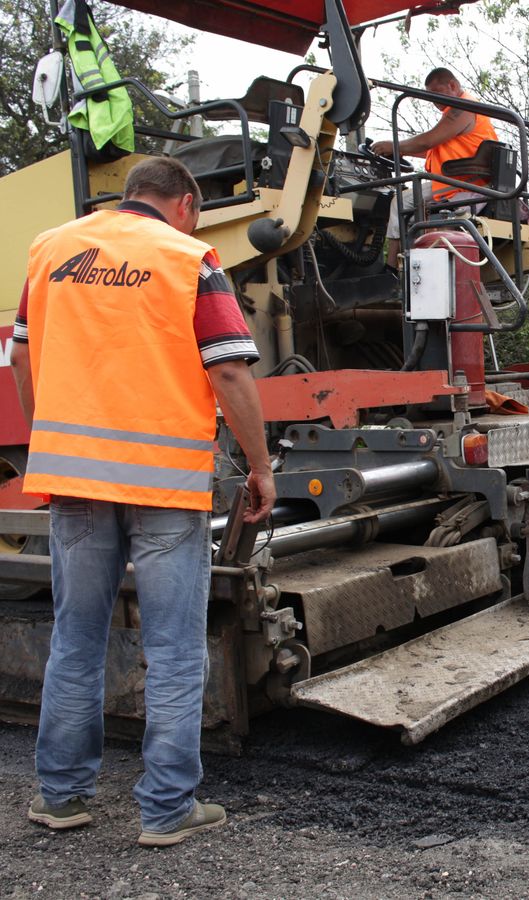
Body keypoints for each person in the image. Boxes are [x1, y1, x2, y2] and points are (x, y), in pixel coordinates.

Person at [10, 157, 276, 846]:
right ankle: (166, 810)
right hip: (163, 483)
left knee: (76, 638)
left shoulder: (49, 248)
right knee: (174, 646)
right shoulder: (189, 257)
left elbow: (21, 356)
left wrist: (49, 441)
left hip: (75, 483)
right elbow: (227, 367)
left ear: (127, 199)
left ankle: (62, 798)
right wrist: (258, 465)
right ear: (184, 203)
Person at [375, 67, 498, 267]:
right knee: (412, 207)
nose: (434, 100)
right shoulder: (462, 110)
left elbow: (427, 141)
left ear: (452, 85)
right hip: (457, 180)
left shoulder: (462, 108)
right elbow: (431, 149)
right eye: (430, 96)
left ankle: (389, 268)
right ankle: (408, 263)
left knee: (399, 203)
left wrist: (394, 145)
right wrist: (402, 151)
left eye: (437, 93)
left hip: (462, 182)